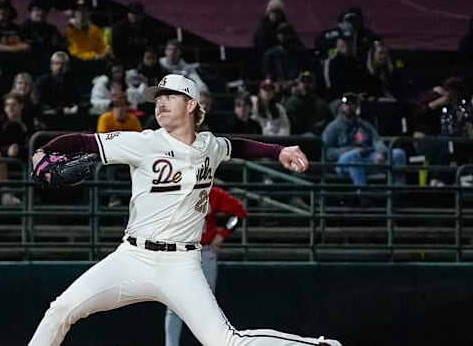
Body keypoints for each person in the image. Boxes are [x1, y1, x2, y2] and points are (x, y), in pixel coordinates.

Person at [28, 73, 341, 346]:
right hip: (133, 258)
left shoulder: (210, 146)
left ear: (192, 104)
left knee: (225, 341)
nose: (160, 102)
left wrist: (279, 150)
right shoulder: (143, 143)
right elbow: (84, 142)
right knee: (61, 310)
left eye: (170, 96)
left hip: (181, 264)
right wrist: (43, 152)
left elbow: (240, 146)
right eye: (158, 97)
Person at [164, 185, 248, 346]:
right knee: (174, 304)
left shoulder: (213, 193)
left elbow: (239, 212)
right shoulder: (173, 191)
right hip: (179, 252)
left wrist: (222, 235)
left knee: (206, 306)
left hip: (205, 250)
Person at [322, 92, 406, 188]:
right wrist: (350, 150)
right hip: (344, 162)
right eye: (346, 104)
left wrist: (381, 152)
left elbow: (377, 140)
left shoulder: (364, 125)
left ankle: (399, 191)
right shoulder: (332, 127)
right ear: (341, 106)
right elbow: (327, 152)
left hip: (368, 158)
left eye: (352, 104)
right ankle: (363, 196)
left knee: (398, 154)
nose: (349, 106)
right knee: (353, 156)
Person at [111, 1, 159, 68]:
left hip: (143, 58)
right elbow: (116, 47)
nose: (135, 16)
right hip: (124, 58)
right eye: (132, 13)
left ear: (142, 14)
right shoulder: (119, 28)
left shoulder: (149, 27)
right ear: (128, 14)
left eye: (137, 13)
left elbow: (153, 44)